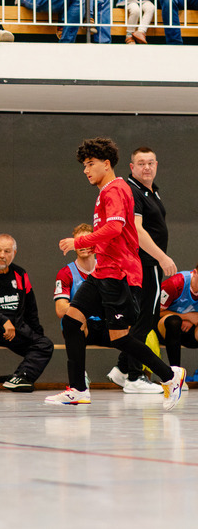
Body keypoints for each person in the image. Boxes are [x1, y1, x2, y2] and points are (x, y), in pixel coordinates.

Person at [47, 137, 185, 409]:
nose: (86, 170)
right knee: (72, 321)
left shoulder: (115, 189)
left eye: (90, 164)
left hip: (119, 274)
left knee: (120, 337)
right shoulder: (108, 191)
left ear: (106, 164)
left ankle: (170, 376)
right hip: (103, 273)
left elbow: (114, 228)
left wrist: (78, 242)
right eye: (84, 166)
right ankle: (77, 389)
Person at [106, 146, 176, 392]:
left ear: (156, 165)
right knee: (147, 319)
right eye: (141, 163)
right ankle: (135, 377)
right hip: (145, 263)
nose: (147, 167)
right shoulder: (133, 191)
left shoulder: (151, 192)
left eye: (150, 163)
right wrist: (162, 257)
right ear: (132, 167)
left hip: (146, 264)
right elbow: (136, 229)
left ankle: (123, 369)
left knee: (143, 319)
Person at [0, 234, 53, 393]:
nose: (2, 255)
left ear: (14, 253)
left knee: (45, 344)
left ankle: (20, 377)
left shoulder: (21, 274)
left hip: (16, 330)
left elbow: (31, 308)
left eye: (7, 251)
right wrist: (2, 320)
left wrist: (37, 336)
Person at [158, 265, 198, 375]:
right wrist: (187, 317)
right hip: (165, 329)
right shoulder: (174, 284)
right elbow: (156, 313)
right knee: (174, 321)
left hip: (188, 332)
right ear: (194, 272)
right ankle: (175, 375)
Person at [54, 223, 96, 321]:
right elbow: (60, 310)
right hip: (79, 326)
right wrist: (94, 304)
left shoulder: (105, 268)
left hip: (104, 326)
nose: (82, 245)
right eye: (78, 242)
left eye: (85, 241)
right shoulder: (65, 273)